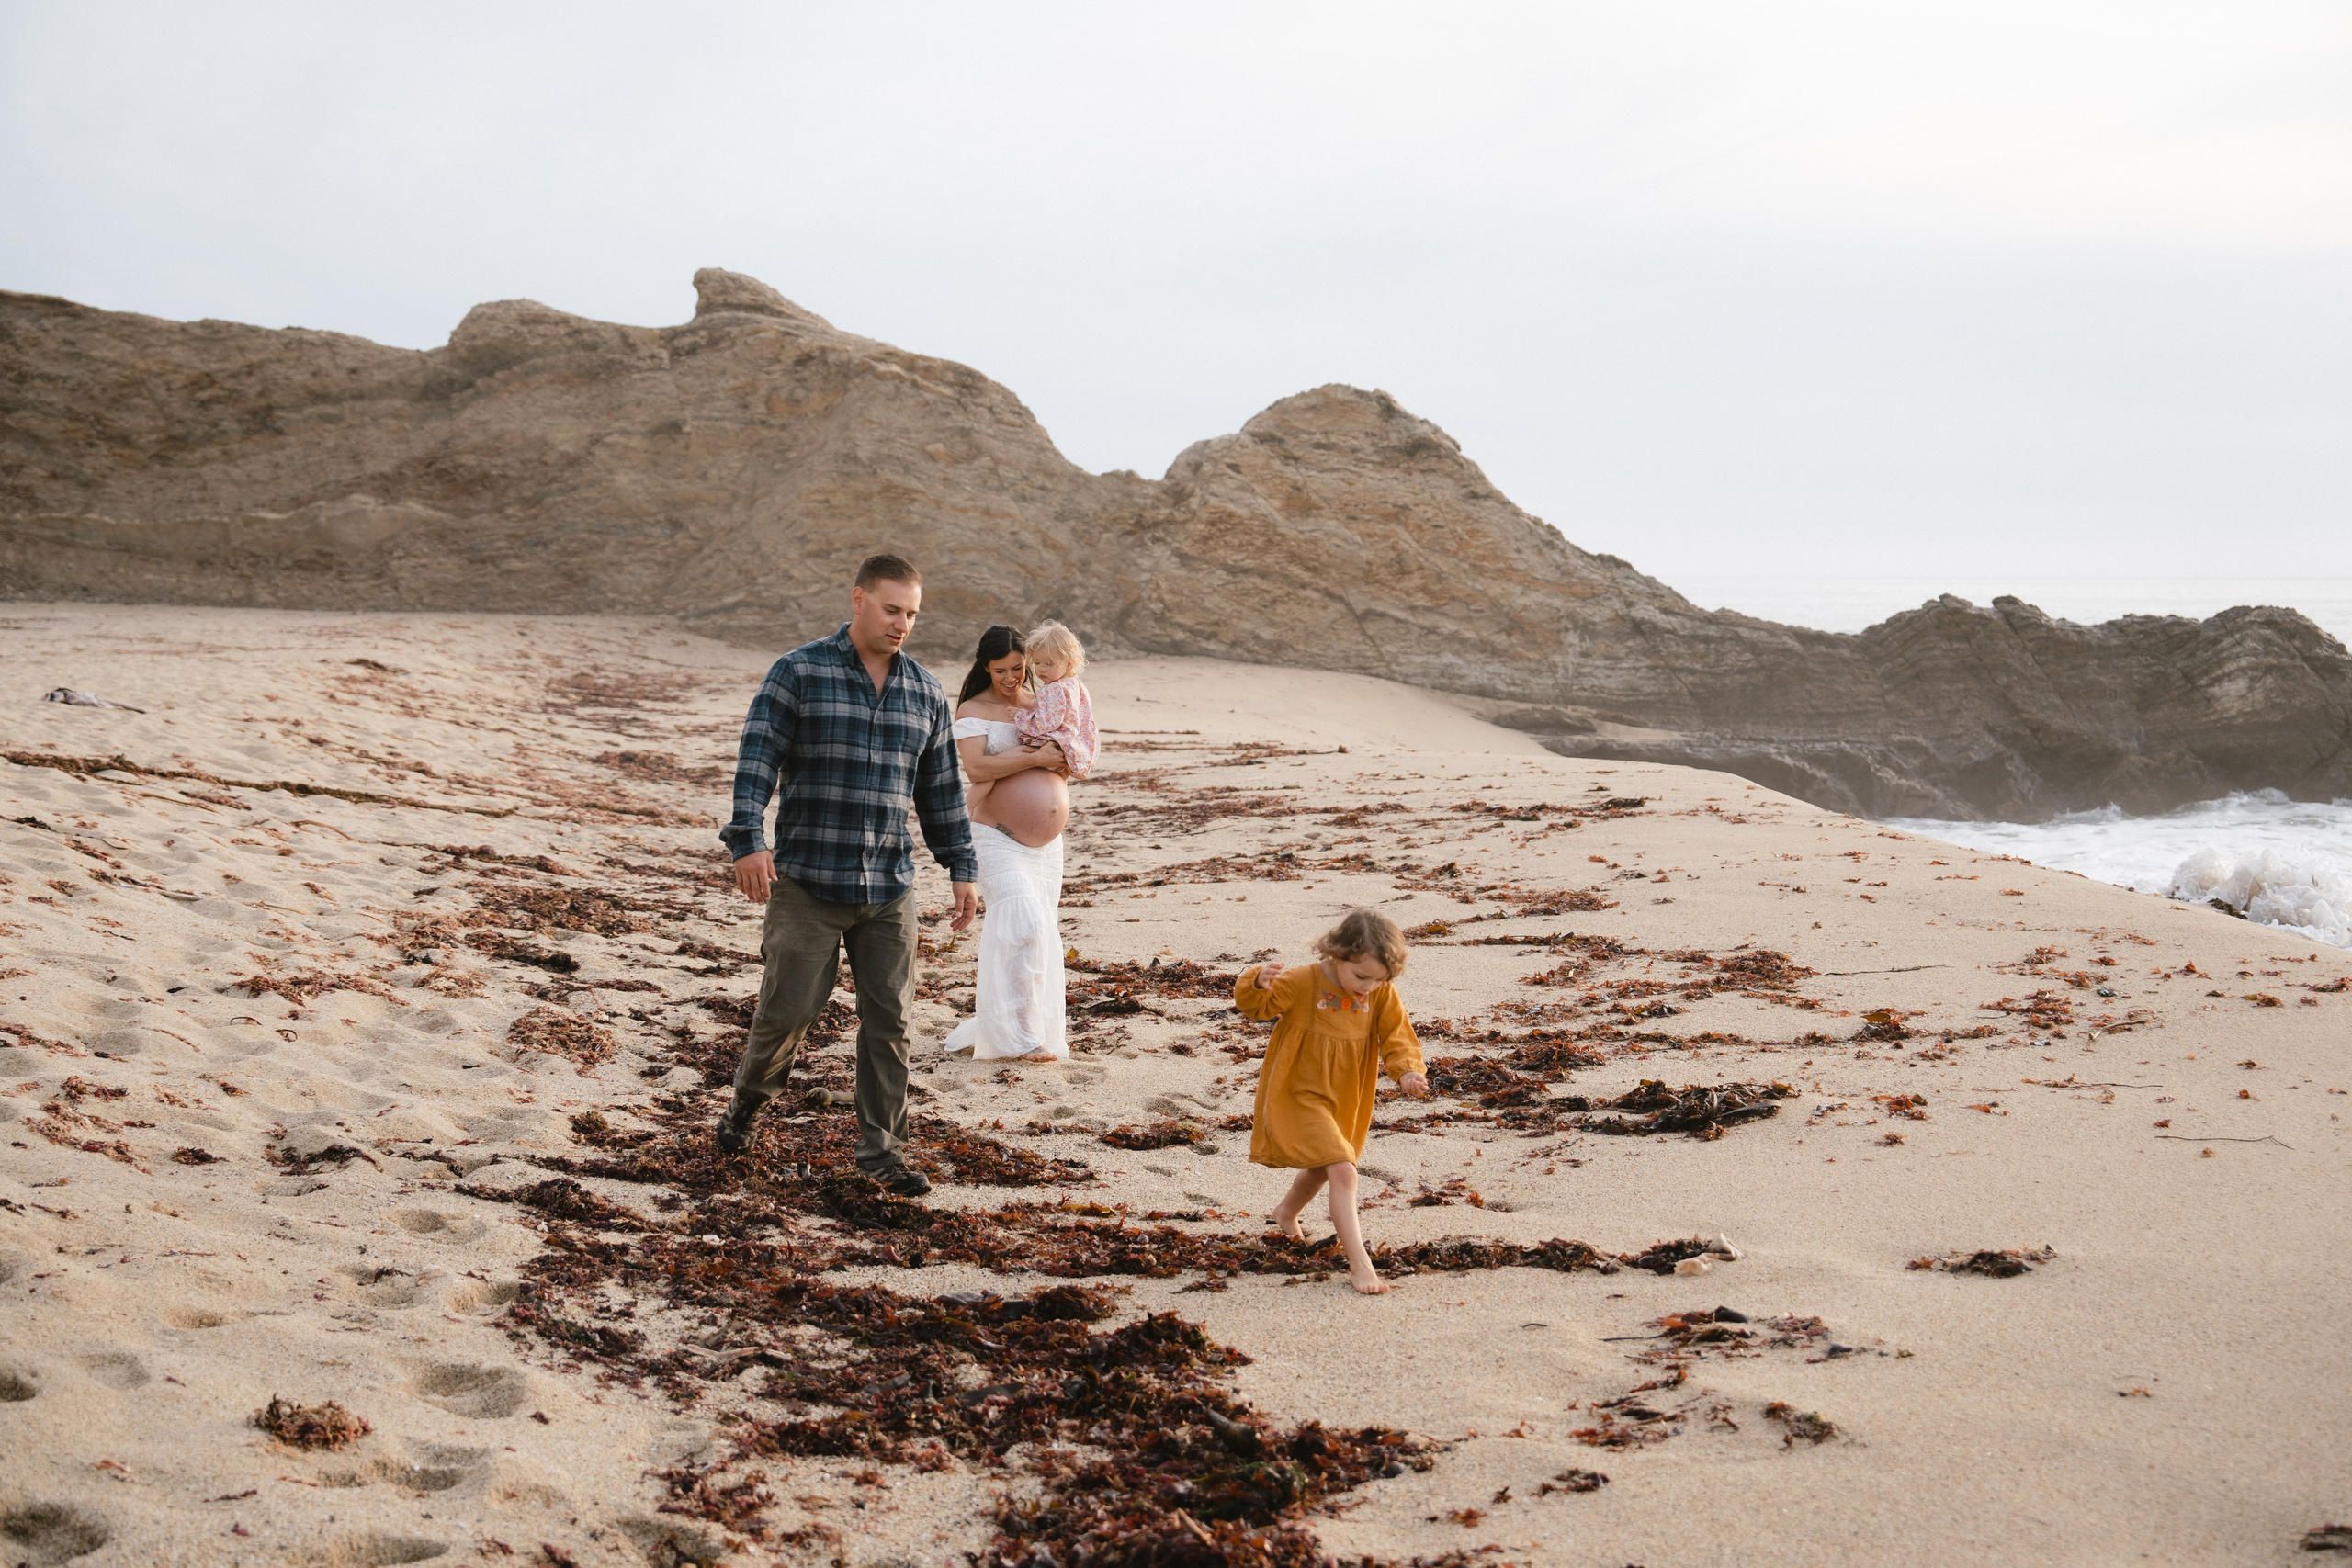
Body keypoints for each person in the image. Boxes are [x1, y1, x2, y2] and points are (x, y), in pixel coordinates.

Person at [714, 553, 978, 1197]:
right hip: (806, 881)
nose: (902, 624)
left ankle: (882, 1151)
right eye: (892, 609)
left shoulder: (924, 692)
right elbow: (757, 761)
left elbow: (940, 792)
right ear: (858, 599)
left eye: (912, 613)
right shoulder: (798, 672)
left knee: (891, 1022)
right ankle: (747, 1105)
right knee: (788, 1012)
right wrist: (747, 840)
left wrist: (961, 866)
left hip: (889, 888)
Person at [1235, 909, 1430, 1294]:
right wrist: (1257, 982)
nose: (1368, 988)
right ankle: (1359, 1263)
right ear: (1337, 954)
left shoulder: (1380, 992)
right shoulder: (1304, 981)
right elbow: (1257, 1008)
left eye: (1379, 980)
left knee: (1324, 1165)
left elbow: (1397, 1034)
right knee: (1344, 1171)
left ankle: (1286, 1213)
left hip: (1345, 1093)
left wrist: (1407, 1070)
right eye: (1361, 977)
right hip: (1298, 1091)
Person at [944, 625, 1076, 1061]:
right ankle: (1020, 1040)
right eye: (1001, 670)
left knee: (1041, 935)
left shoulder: (1041, 704)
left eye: (1019, 668)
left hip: (1046, 848)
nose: (1011, 677)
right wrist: (1035, 757)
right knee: (1023, 925)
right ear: (985, 667)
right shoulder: (971, 709)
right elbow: (978, 769)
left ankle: (1027, 1026)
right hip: (994, 835)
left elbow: (1067, 750)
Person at [967, 620, 1096, 818]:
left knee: (1011, 757)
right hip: (1065, 745)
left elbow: (1047, 723)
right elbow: (977, 770)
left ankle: (966, 806)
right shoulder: (1074, 685)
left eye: (1047, 664)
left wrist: (1022, 717)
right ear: (987, 668)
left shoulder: (1053, 690)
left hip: (1053, 743)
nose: (1041, 670)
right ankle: (964, 809)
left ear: (1068, 663)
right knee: (1000, 765)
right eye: (1037, 663)